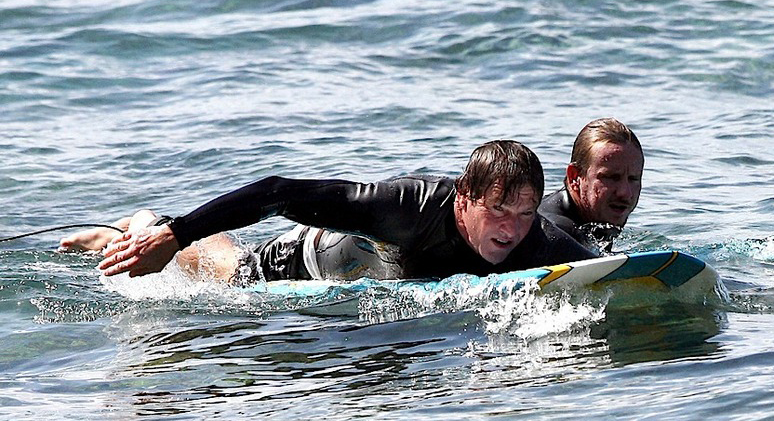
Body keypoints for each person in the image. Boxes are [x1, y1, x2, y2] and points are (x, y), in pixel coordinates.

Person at [62, 140, 595, 284]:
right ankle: (140, 226)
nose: (511, 228)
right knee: (225, 268)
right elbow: (275, 191)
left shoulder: (533, 235)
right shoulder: (405, 207)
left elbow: (603, 271)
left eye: (525, 213)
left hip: (387, 274)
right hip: (306, 260)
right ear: (463, 198)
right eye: (498, 210)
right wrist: (175, 235)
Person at [538, 118, 644, 254]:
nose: (625, 193)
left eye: (633, 179)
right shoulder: (552, 235)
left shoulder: (592, 221)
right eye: (611, 177)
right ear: (574, 177)